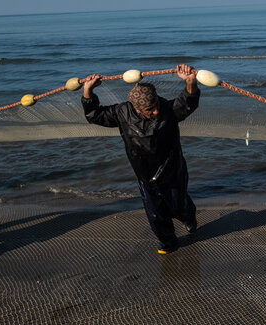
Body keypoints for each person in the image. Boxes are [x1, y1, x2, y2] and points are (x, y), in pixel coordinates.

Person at [81, 64, 200, 255]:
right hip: (144, 174)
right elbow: (95, 115)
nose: (155, 112)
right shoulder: (122, 113)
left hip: (172, 169)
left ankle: (189, 217)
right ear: (136, 108)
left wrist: (190, 82)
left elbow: (188, 102)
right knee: (155, 214)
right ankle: (168, 243)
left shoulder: (168, 110)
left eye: (155, 106)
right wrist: (88, 89)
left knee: (178, 207)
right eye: (149, 110)